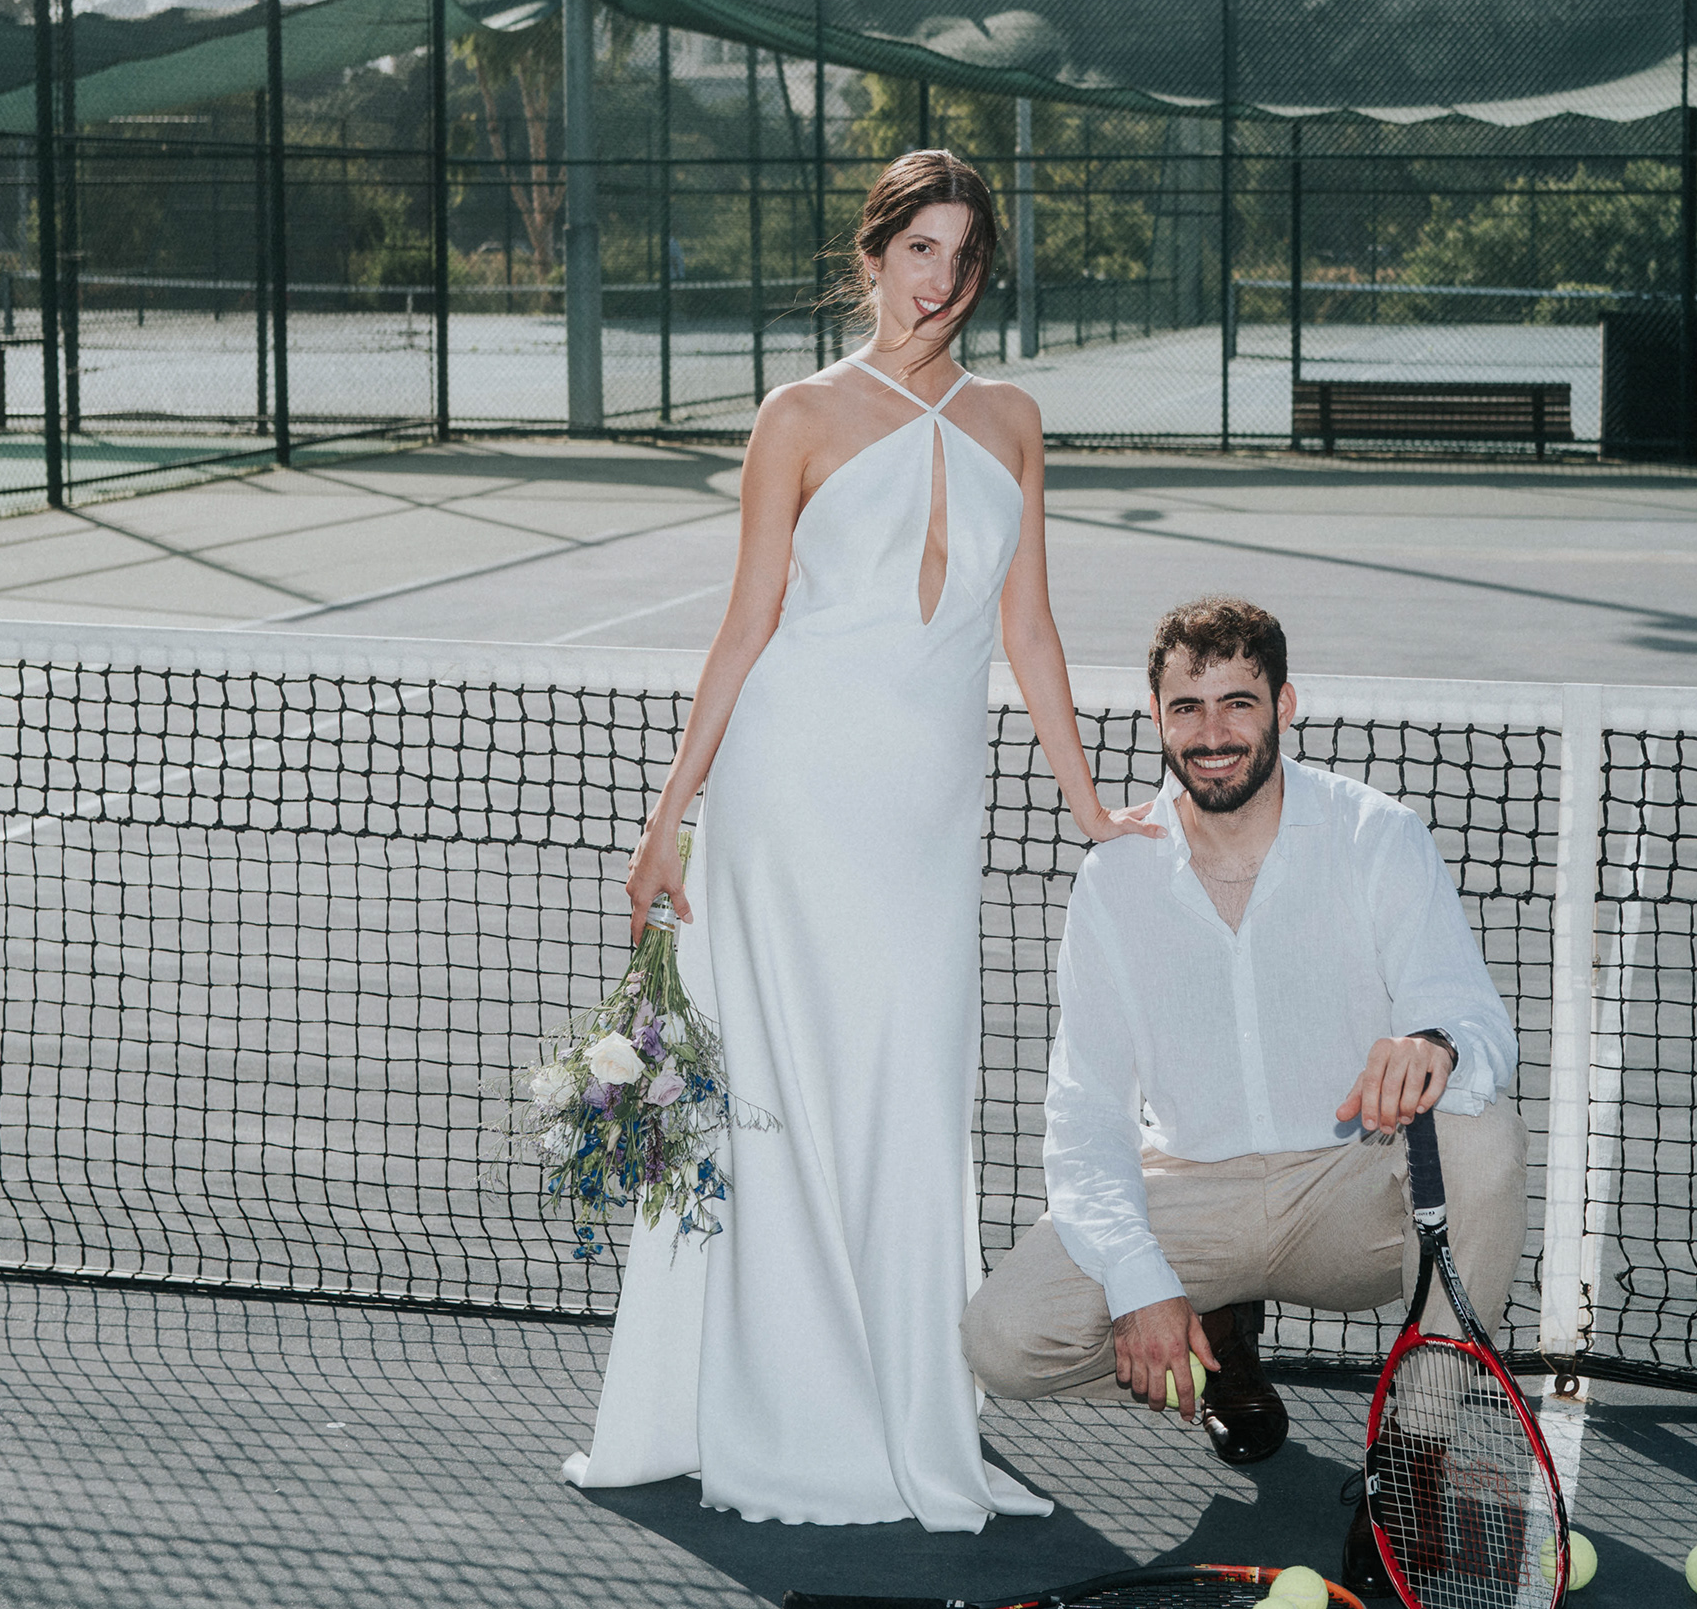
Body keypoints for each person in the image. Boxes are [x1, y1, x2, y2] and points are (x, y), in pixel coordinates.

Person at [567, 147, 1147, 1530]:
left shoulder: (1014, 418)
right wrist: (668, 820)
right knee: (780, 1088)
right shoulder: (801, 414)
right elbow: (747, 621)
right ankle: (784, 1406)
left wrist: (1089, 804)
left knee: (906, 1087)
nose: (942, 279)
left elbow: (1028, 628)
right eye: (920, 249)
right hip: (792, 788)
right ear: (874, 255)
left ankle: (895, 1397)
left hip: (927, 816)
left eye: (965, 255)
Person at [962, 594, 1524, 1472]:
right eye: (1187, 706)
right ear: (1156, 717)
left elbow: (1476, 1020)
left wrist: (1434, 1045)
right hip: (1193, 1189)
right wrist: (1143, 1284)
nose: (1212, 732)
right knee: (1002, 1339)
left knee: (1482, 1134)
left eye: (1238, 702)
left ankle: (1414, 1454)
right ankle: (1212, 1339)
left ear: (1283, 705)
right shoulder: (1114, 881)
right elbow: (1088, 1112)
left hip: (1350, 1188)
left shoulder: (1376, 835)